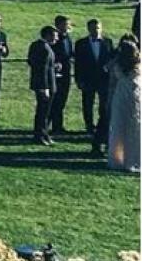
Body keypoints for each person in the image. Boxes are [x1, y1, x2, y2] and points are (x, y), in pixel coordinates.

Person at [75, 18, 115, 156]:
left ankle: (101, 125)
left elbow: (111, 59)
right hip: (88, 79)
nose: (96, 30)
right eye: (93, 28)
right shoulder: (81, 43)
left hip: (103, 80)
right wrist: (79, 79)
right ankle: (89, 125)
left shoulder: (108, 42)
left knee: (104, 105)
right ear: (88, 29)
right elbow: (78, 63)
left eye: (98, 28)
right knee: (87, 102)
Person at [107, 37, 140, 172]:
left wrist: (109, 100)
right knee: (135, 127)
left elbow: (111, 83)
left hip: (120, 96)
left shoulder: (117, 65)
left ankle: (118, 158)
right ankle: (135, 158)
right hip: (135, 96)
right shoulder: (138, 63)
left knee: (119, 127)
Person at [27, 25, 59, 146]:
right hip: (46, 86)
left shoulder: (38, 45)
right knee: (43, 112)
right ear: (48, 35)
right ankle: (39, 135)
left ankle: (44, 134)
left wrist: (54, 67)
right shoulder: (44, 48)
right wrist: (44, 87)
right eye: (55, 36)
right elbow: (42, 68)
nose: (56, 39)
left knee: (44, 111)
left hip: (45, 84)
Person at [48, 15, 74, 137]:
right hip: (56, 73)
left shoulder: (67, 37)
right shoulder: (55, 38)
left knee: (62, 100)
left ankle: (58, 125)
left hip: (66, 73)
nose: (68, 27)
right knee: (54, 101)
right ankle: (48, 125)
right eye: (66, 24)